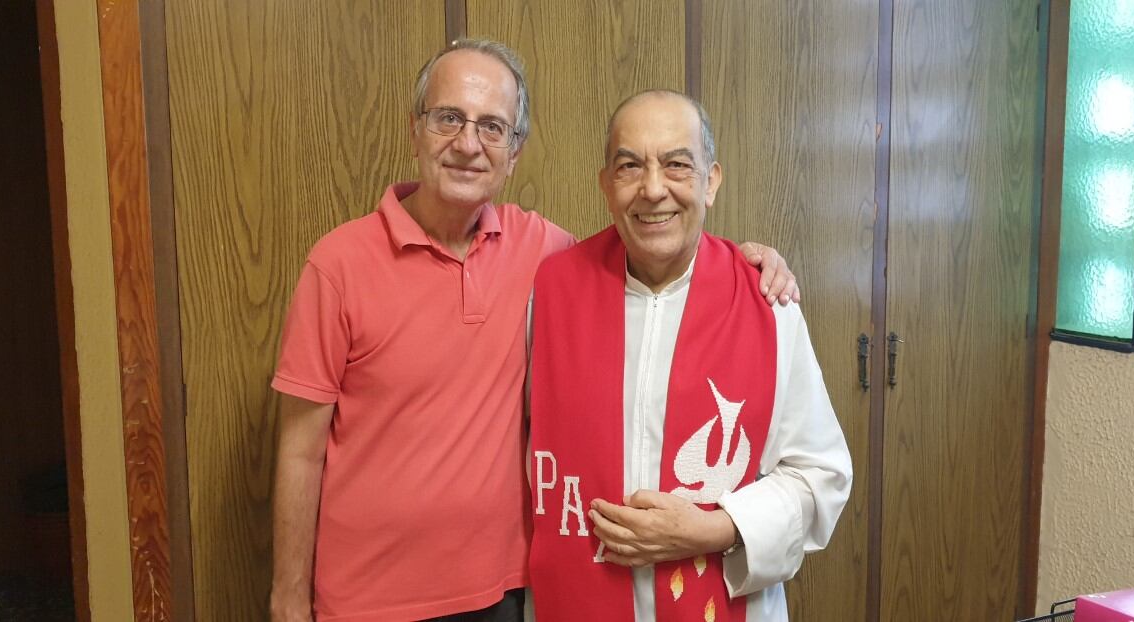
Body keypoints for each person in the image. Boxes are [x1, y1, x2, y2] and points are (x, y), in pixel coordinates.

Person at [269, 41, 798, 622]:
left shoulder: (548, 256)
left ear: (514, 151)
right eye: (449, 118)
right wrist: (289, 599)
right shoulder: (338, 264)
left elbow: (649, 239)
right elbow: (300, 452)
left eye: (493, 127)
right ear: (414, 130)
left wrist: (744, 261)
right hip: (368, 599)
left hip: (507, 594)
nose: (469, 144)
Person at [527, 90, 852, 622]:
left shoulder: (767, 304)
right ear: (606, 185)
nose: (654, 189)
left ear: (712, 180)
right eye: (630, 166)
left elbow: (820, 477)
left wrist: (714, 527)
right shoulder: (551, 292)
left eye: (677, 164)